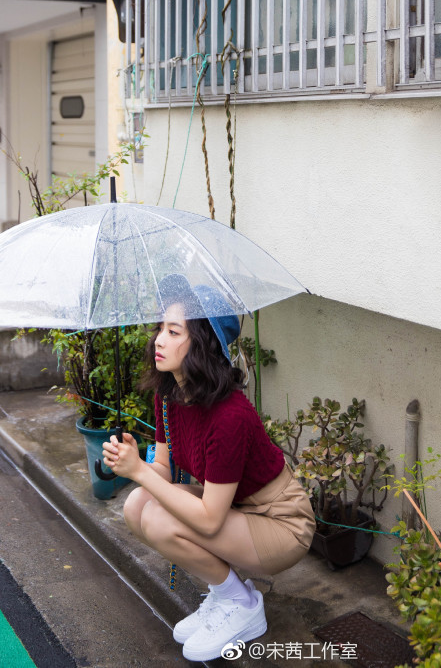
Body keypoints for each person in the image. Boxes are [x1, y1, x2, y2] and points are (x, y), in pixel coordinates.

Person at [101, 275, 315, 662]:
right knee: (137, 505)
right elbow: (162, 471)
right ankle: (226, 594)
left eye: (173, 331)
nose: (158, 341)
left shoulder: (230, 415)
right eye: (159, 329)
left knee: (162, 519)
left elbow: (210, 520)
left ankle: (243, 605)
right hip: (234, 510)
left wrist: (140, 472)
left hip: (280, 523)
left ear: (201, 343)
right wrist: (136, 462)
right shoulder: (170, 396)